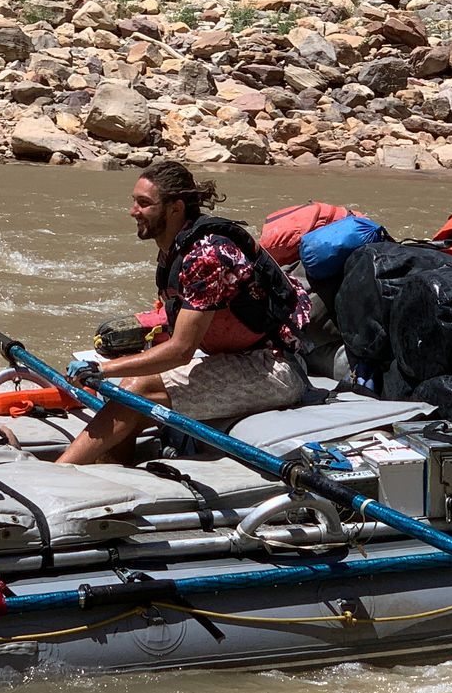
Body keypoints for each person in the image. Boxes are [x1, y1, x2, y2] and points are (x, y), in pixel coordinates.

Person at [56, 160, 311, 466]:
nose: (133, 211)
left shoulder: (206, 255)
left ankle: (60, 472)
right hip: (237, 358)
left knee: (135, 390)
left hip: (275, 369)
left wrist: (101, 370)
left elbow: (181, 351)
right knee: (127, 390)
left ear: (176, 208)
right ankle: (109, 477)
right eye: (134, 201)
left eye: (144, 203)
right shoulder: (175, 248)